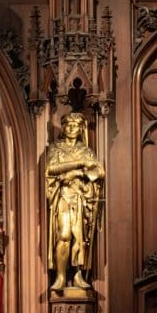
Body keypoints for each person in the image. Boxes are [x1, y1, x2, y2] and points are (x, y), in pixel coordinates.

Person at [45, 111, 105, 290]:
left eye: (76, 125)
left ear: (81, 129)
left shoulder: (85, 151)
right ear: (63, 127)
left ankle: (78, 275)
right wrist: (79, 165)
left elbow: (99, 172)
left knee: (79, 239)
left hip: (81, 197)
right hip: (62, 196)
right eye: (68, 124)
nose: (71, 128)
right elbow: (51, 168)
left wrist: (76, 173)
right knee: (64, 235)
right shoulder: (56, 148)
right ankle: (61, 277)